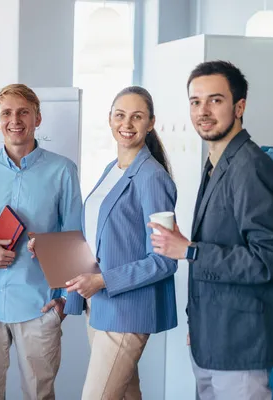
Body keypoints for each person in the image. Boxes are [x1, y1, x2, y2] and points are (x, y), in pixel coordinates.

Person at [149, 60, 273, 400]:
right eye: (195, 101)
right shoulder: (217, 161)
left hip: (241, 340)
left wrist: (189, 251)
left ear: (239, 106)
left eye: (215, 100)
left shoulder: (251, 167)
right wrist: (198, 324)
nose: (203, 110)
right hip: (212, 334)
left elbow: (268, 259)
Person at [0, 84, 83, 400]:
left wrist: (66, 303)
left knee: (39, 395)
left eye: (23, 112)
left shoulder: (63, 170)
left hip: (38, 303)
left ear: (37, 118)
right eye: (6, 114)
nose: (15, 120)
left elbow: (73, 238)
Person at [58, 86, 178, 399]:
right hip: (98, 306)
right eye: (120, 115)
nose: (127, 123)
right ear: (110, 120)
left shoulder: (153, 177)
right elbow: (99, 238)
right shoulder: (111, 170)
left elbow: (164, 259)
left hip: (127, 310)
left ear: (150, 123)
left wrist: (101, 280)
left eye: (137, 116)